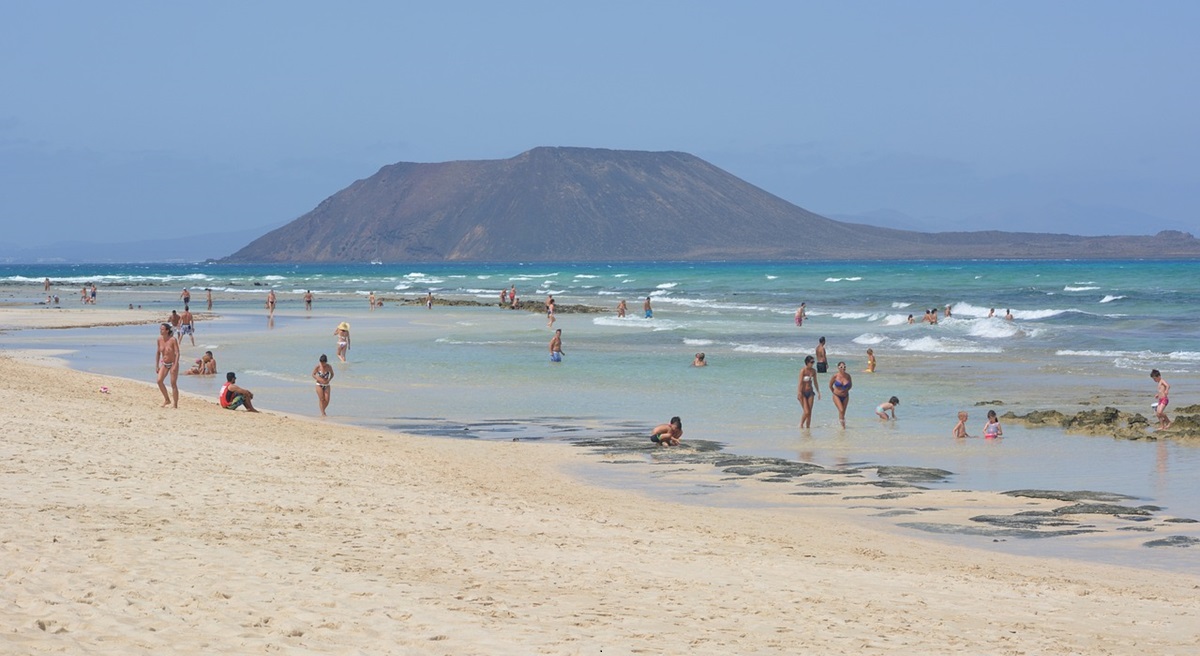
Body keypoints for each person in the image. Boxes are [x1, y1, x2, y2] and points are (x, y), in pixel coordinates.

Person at [155, 323, 180, 408]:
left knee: (173, 383)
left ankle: (175, 404)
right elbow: (158, 353)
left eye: (162, 329)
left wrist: (175, 365)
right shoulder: (159, 339)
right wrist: (157, 365)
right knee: (159, 381)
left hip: (173, 363)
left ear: (167, 330)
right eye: (160, 329)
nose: (160, 331)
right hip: (164, 363)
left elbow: (177, 353)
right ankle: (167, 399)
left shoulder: (173, 340)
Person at [797, 355, 821, 429]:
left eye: (813, 362)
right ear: (807, 362)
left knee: (810, 412)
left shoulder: (813, 371)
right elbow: (800, 382)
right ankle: (801, 425)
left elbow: (815, 382)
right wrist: (799, 393)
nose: (813, 363)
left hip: (810, 392)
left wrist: (818, 392)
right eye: (811, 362)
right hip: (803, 393)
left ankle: (808, 428)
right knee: (806, 411)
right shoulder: (803, 371)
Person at [829, 361, 852, 428]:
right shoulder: (835, 376)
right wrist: (834, 392)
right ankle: (843, 427)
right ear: (838, 368)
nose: (843, 368)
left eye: (844, 367)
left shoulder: (848, 376)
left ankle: (841, 426)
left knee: (843, 412)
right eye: (841, 367)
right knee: (841, 410)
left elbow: (850, 385)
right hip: (837, 396)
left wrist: (846, 390)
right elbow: (830, 385)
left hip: (845, 396)